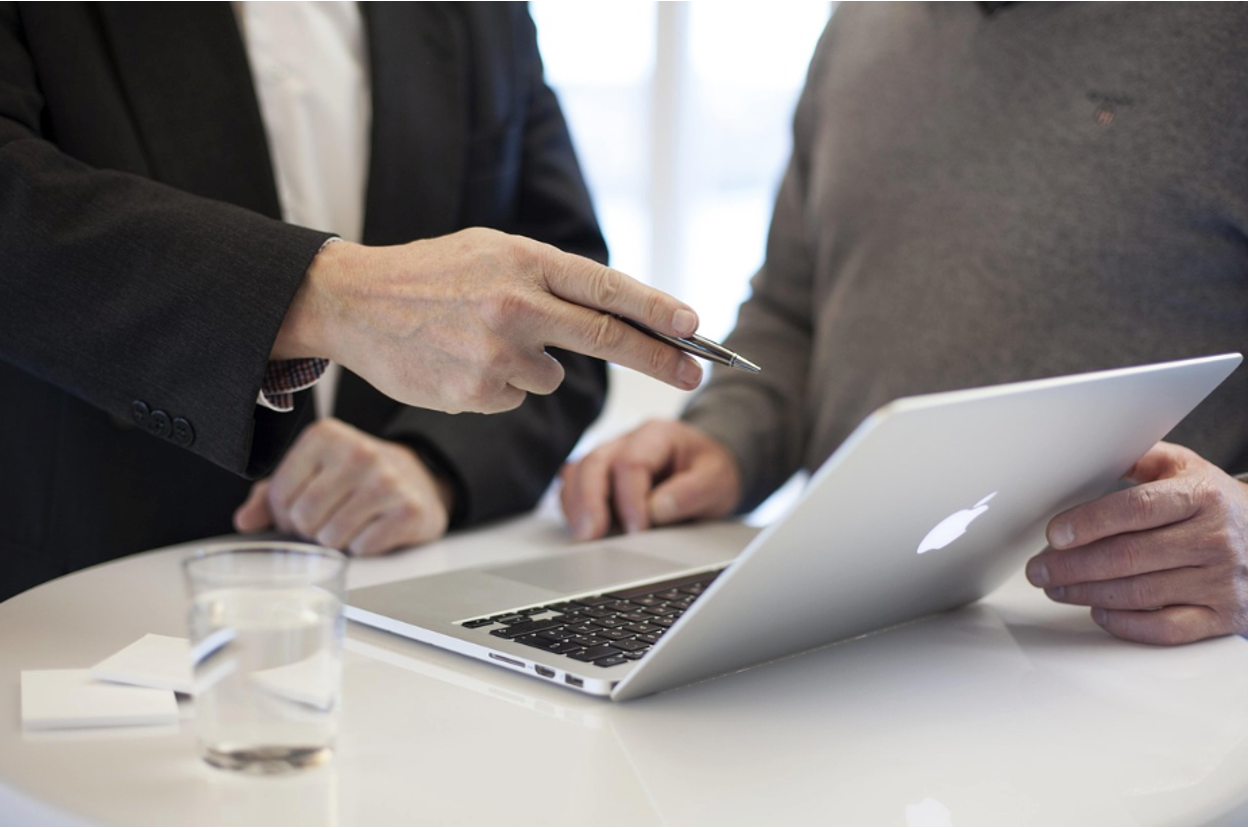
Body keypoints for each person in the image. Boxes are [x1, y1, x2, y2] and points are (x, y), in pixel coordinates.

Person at [560, 0, 1248, 647]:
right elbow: (792, 313)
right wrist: (725, 442)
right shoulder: (861, 23)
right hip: (839, 636)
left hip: (1127, 671)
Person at [0, 1, 705, 601]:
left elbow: (559, 317)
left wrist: (434, 465)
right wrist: (323, 295)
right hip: (79, 612)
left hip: (399, 617)